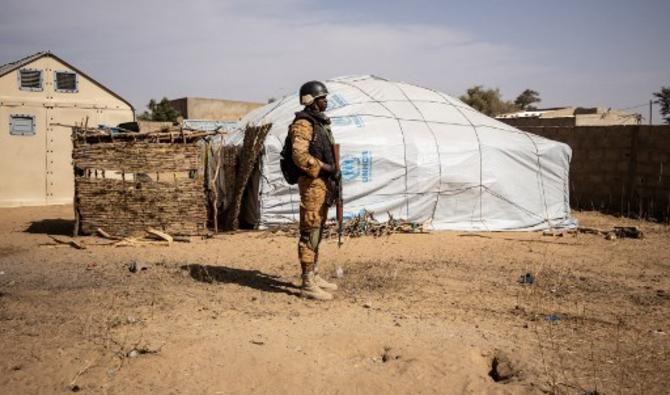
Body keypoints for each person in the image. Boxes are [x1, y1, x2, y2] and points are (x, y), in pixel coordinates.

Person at [289, 80, 341, 301]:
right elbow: (299, 156)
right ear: (310, 101)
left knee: (318, 229)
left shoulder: (320, 123)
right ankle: (307, 281)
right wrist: (325, 167)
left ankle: (314, 273)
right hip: (312, 185)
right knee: (310, 230)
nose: (326, 102)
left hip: (324, 185)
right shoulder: (303, 123)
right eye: (322, 99)